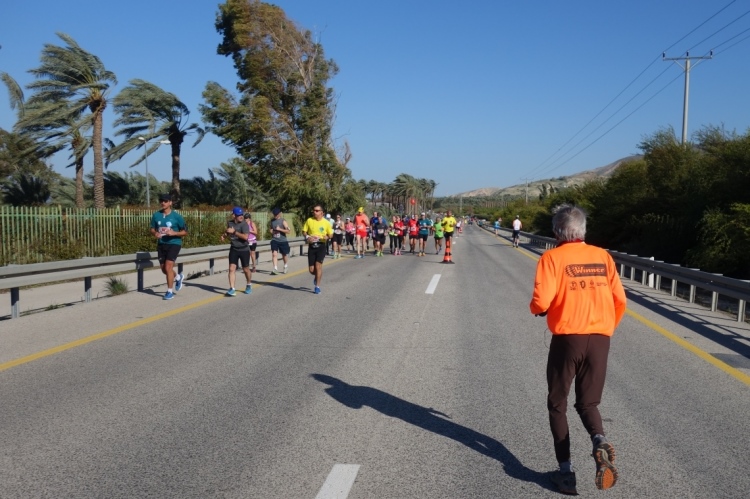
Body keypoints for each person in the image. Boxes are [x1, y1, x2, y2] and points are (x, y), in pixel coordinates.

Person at [529, 204, 626, 495]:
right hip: (600, 338)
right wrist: (605, 327)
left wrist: (537, 309)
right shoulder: (602, 256)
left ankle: (566, 473)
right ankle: (599, 440)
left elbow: (541, 301)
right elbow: (620, 300)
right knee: (588, 404)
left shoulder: (552, 257)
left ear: (557, 232)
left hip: (568, 338)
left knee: (557, 403)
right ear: (583, 230)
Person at [149, 193, 188, 300]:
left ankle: (169, 292)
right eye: (161, 201)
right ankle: (178, 277)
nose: (163, 203)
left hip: (174, 243)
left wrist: (174, 233)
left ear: (170, 203)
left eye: (165, 201)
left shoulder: (177, 217)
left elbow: (185, 232)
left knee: (168, 267)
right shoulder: (156, 215)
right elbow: (152, 228)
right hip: (162, 244)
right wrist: (155, 233)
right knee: (164, 269)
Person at [221, 207, 252, 296]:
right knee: (231, 269)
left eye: (242, 215)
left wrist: (235, 232)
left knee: (246, 269)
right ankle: (232, 289)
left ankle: (249, 284)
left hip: (244, 249)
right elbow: (228, 231)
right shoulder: (230, 223)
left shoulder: (244, 224)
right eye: (239, 215)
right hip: (234, 249)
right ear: (234, 215)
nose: (241, 216)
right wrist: (224, 235)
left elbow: (245, 237)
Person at [303, 204, 333, 294]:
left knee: (318, 266)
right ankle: (316, 277)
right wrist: (307, 237)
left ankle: (317, 286)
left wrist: (327, 237)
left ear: (322, 213)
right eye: (314, 210)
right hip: (312, 246)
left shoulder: (326, 222)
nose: (314, 212)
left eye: (317, 211)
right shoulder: (309, 220)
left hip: (321, 246)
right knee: (311, 270)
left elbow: (331, 234)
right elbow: (304, 231)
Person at [270, 207, 292, 274]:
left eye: (276, 214)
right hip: (274, 240)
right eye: (274, 214)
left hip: (282, 240)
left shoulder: (283, 221)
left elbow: (288, 231)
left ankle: (285, 266)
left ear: (279, 214)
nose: (275, 216)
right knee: (274, 254)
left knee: (284, 255)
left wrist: (280, 229)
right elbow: (271, 229)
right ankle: (275, 268)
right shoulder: (272, 221)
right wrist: (272, 231)